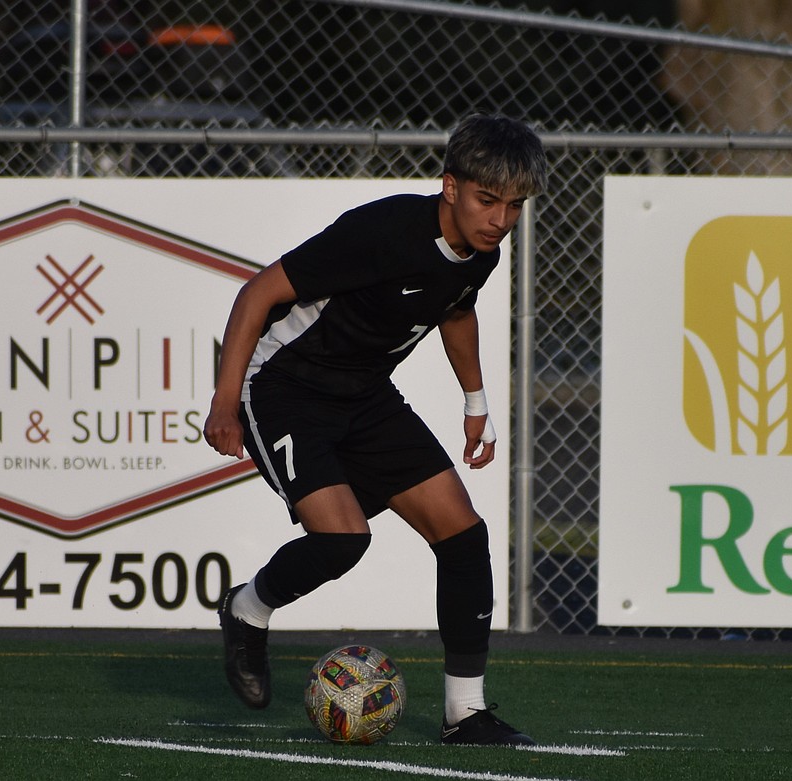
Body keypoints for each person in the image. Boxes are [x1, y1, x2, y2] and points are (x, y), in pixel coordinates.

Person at [202, 113, 547, 746]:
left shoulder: (483, 251)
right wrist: (226, 403)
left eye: (514, 206)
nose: (499, 218)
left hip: (364, 396)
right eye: (486, 199)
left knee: (464, 534)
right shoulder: (383, 231)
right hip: (283, 387)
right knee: (341, 541)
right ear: (450, 187)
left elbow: (457, 310)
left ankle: (464, 715)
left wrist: (477, 402)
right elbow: (256, 294)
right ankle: (247, 608)